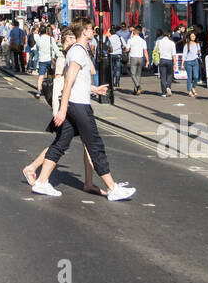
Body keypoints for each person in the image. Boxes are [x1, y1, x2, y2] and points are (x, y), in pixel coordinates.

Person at [24, 20, 135, 201]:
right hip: (78, 106)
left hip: (75, 103)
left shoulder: (79, 51)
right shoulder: (77, 51)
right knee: (95, 144)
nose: (93, 31)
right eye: (91, 29)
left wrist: (94, 89)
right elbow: (68, 81)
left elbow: (78, 81)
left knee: (61, 143)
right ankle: (113, 188)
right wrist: (63, 108)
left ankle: (42, 181)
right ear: (84, 31)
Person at [125, 25, 148, 95]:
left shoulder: (130, 40)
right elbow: (145, 51)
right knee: (138, 74)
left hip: (133, 58)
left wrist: (126, 50)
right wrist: (147, 60)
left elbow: (127, 49)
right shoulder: (143, 41)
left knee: (132, 74)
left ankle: (138, 86)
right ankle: (136, 90)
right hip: (141, 58)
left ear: (134, 32)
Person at [156, 29, 176, 97]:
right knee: (170, 75)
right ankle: (168, 87)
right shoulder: (172, 43)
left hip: (162, 59)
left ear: (163, 35)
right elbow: (174, 54)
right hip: (169, 60)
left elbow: (156, 51)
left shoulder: (159, 42)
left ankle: (164, 93)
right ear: (169, 35)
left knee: (163, 76)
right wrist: (175, 64)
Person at [182, 30, 201, 97]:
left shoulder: (197, 44)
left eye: (194, 36)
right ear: (189, 37)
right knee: (189, 77)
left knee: (196, 76)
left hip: (195, 61)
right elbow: (184, 55)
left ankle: (193, 87)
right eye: (192, 36)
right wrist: (182, 63)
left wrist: (199, 54)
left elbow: (199, 53)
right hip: (188, 62)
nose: (194, 37)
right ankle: (189, 91)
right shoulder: (186, 45)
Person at [108, 24, 123, 91]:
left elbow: (108, 46)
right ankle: (117, 82)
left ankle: (111, 82)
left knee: (111, 69)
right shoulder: (119, 37)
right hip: (118, 54)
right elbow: (124, 45)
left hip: (111, 54)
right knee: (118, 69)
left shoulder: (109, 38)